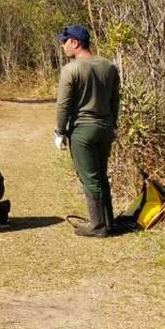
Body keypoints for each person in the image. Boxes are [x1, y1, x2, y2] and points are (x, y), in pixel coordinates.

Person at [54, 24, 121, 237]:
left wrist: (59, 131)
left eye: (64, 41)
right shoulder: (109, 67)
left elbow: (63, 105)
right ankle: (108, 222)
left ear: (75, 43)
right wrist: (113, 125)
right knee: (101, 174)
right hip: (105, 128)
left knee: (89, 178)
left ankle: (99, 226)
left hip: (82, 130)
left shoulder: (71, 69)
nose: (62, 45)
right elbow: (115, 100)